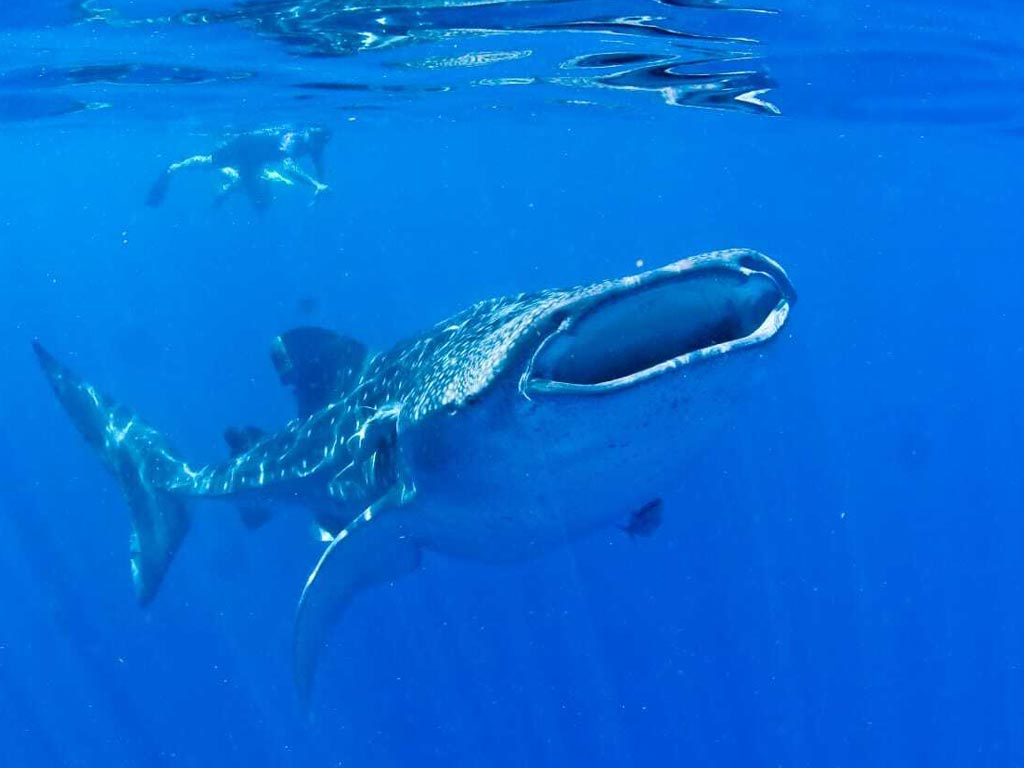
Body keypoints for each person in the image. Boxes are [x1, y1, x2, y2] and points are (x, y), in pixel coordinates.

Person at [146, 125, 331, 209]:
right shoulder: (292, 141)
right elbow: (289, 167)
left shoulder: (314, 145)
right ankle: (172, 169)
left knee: (258, 197)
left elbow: (318, 164)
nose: (316, 147)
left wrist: (319, 184)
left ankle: (226, 188)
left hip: (256, 159)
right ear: (307, 135)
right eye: (314, 141)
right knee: (209, 162)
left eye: (319, 144)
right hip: (242, 146)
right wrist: (315, 184)